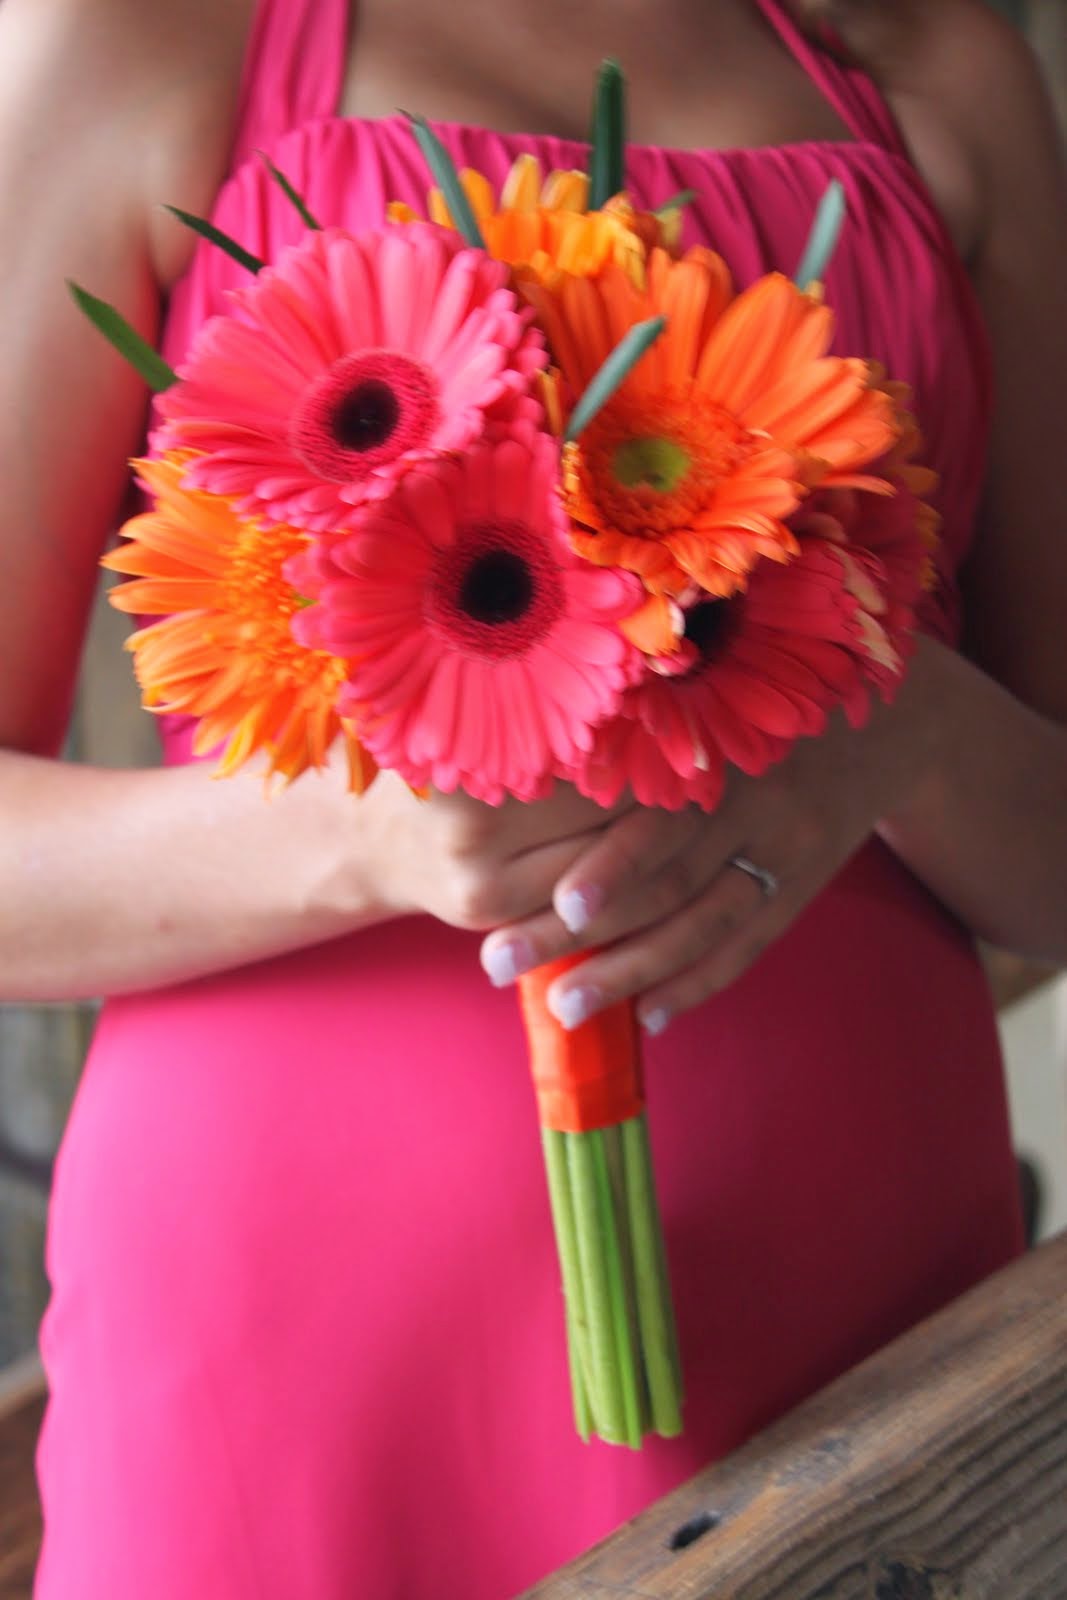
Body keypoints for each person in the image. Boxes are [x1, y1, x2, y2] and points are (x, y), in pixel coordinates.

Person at [2, 0, 1065, 1594]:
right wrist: (360, 829)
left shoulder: (936, 61)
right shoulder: (146, 38)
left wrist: (888, 717)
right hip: (298, 1339)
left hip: (868, 1325)